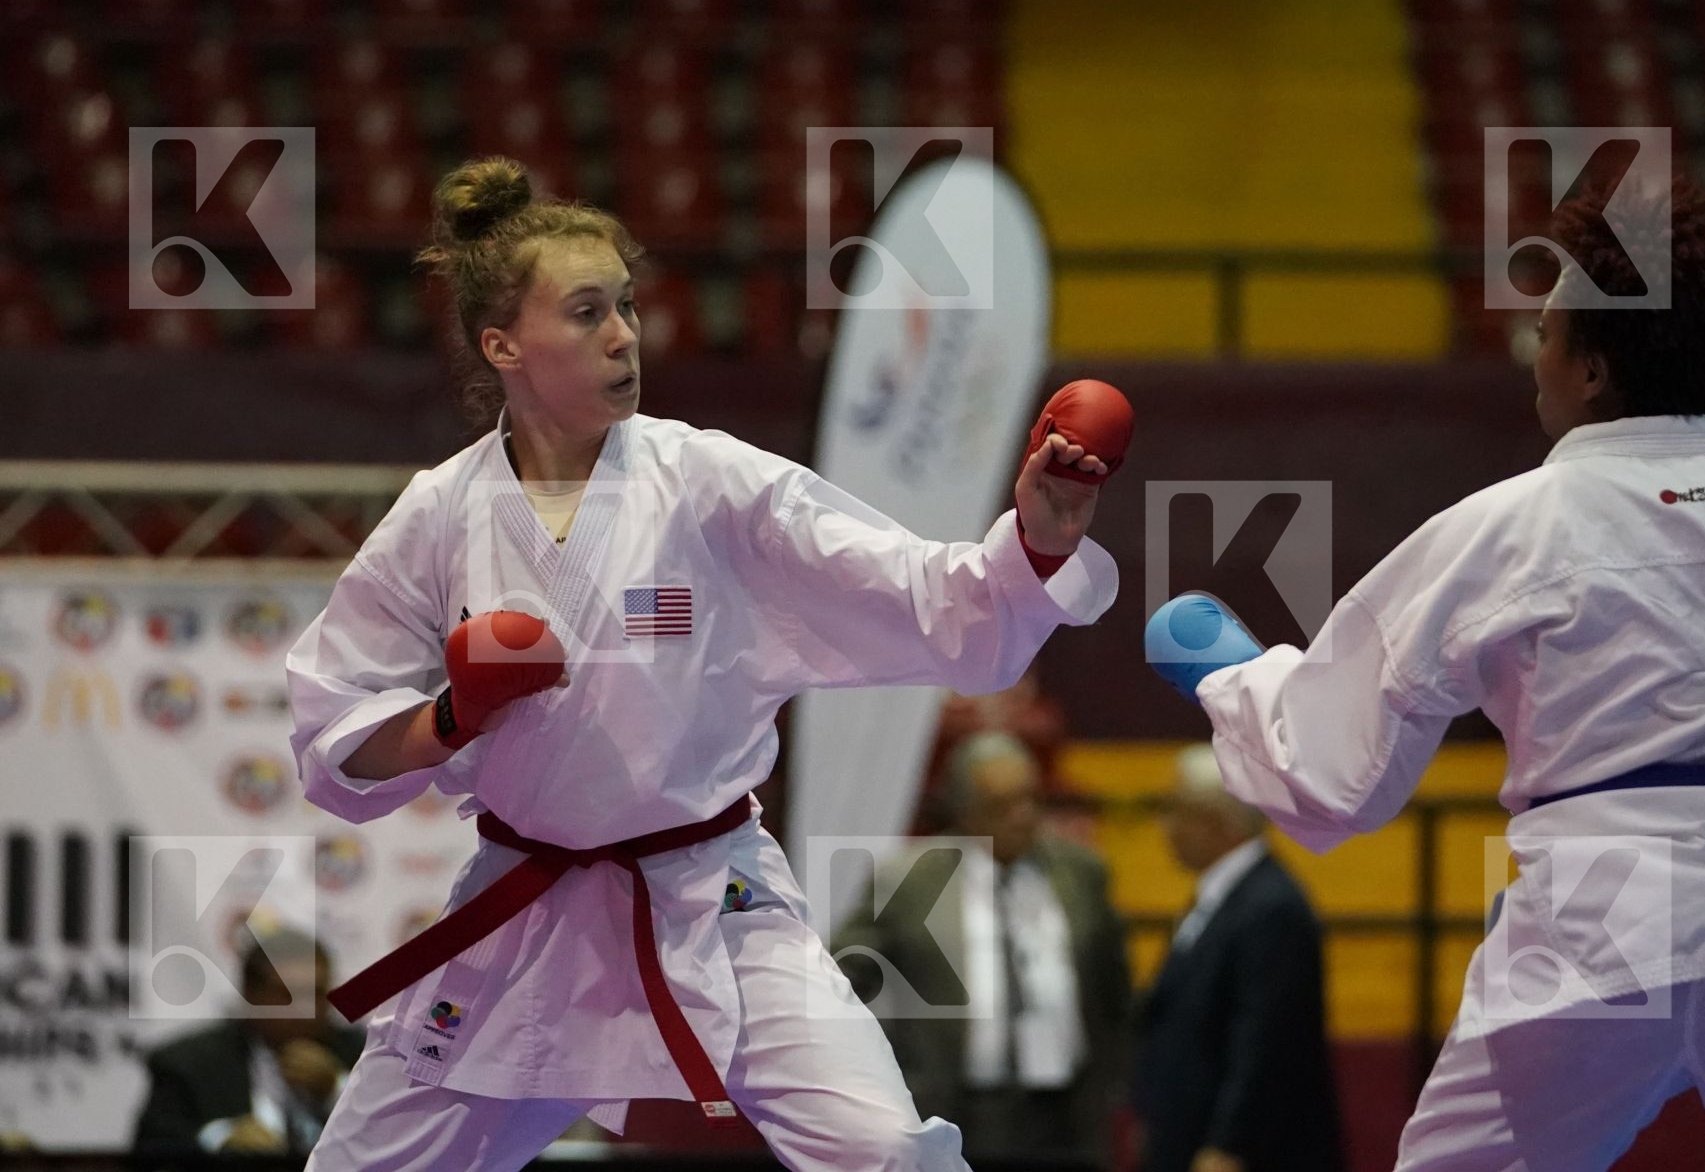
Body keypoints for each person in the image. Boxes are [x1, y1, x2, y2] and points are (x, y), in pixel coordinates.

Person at [285, 156, 1132, 1172]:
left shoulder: (708, 483)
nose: (623, 335)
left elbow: (916, 592)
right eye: (588, 312)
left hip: (716, 900)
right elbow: (336, 748)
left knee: (888, 1152)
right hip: (524, 914)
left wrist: (1033, 540)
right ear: (501, 343)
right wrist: (450, 720)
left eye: (628, 308)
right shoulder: (441, 514)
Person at [1147, 177, 1705, 1169]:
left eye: (1545, 333)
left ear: (1590, 370)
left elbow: (1336, 773)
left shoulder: (1512, 525)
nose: (1532, 356)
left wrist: (1231, 679)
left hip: (1599, 910)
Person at [835, 731, 1132, 1165]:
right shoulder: (909, 880)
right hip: (953, 1109)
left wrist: (1115, 1081)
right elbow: (842, 976)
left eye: (1031, 800)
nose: (1022, 816)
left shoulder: (1080, 872)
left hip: (1064, 1112)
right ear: (964, 811)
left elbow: (1114, 989)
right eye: (1002, 806)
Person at [1133, 744, 1341, 1172]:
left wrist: (1229, 1146)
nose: (1165, 826)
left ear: (1215, 822)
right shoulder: (1222, 898)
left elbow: (1268, 1045)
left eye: (1175, 810)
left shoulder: (1271, 908)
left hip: (1246, 1156)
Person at [133, 930, 363, 1157]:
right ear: (250, 995)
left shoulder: (366, 1056)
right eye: (287, 994)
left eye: (315, 993)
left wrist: (337, 1090)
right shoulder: (188, 1066)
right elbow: (152, 1150)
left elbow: (392, 1137)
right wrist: (221, 1141)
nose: (305, 1010)